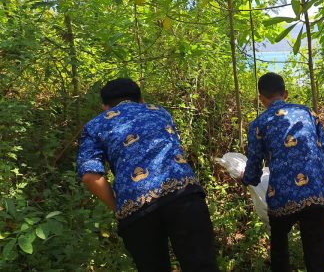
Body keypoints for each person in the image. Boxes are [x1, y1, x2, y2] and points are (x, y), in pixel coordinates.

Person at [76, 78, 218, 272]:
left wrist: (118, 207)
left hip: (136, 207)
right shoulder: (160, 112)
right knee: (202, 266)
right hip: (184, 195)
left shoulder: (94, 125)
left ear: (105, 106)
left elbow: (89, 176)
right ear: (141, 99)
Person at [243, 72, 324, 272]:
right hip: (318, 194)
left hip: (282, 197)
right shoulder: (308, 113)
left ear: (261, 98)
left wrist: (247, 179)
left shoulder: (259, 124)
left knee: (279, 254)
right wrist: (320, 176)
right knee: (318, 258)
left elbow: (254, 164)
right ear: (285, 93)